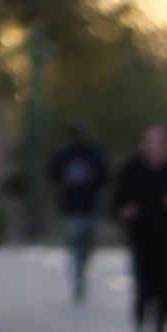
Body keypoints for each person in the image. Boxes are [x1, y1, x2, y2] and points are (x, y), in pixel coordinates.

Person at [111, 123, 167, 332]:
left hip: (166, 239)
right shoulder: (131, 169)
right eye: (148, 141)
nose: (152, 146)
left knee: (165, 290)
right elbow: (117, 202)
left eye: (157, 141)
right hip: (141, 238)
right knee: (144, 289)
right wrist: (125, 212)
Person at [50, 125, 110, 301]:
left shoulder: (95, 155)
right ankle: (77, 273)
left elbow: (105, 177)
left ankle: (82, 269)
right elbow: (52, 174)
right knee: (75, 240)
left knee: (88, 242)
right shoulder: (64, 156)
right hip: (71, 207)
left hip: (90, 206)